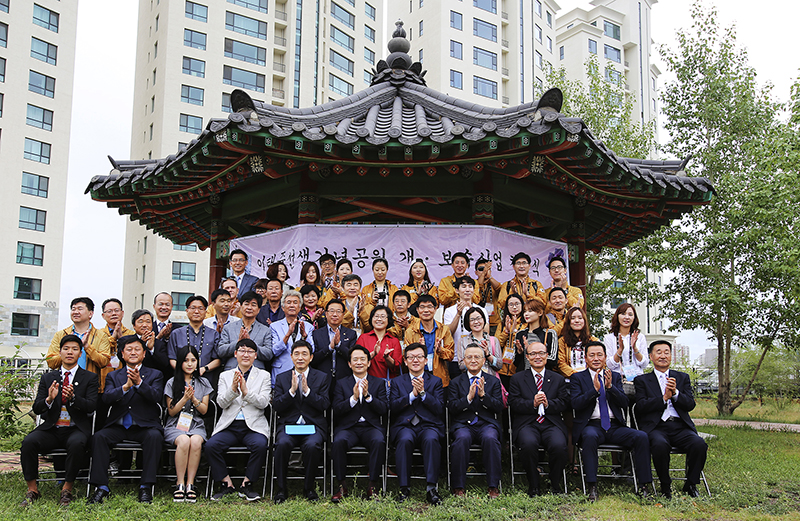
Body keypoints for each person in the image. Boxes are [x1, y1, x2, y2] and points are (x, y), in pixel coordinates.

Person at [20, 335, 99, 507]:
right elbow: (37, 408)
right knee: (29, 442)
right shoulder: (49, 377)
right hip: (51, 428)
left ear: (80, 354)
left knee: (77, 444)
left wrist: (73, 398)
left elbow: (91, 406)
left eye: (75, 349)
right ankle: (32, 489)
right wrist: (48, 399)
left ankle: (67, 489)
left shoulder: (89, 378)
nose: (70, 352)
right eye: (66, 348)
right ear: (60, 352)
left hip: (75, 428)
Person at [571, 341, 653, 501]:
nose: (596, 358)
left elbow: (624, 403)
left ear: (605, 357)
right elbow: (575, 403)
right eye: (592, 355)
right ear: (585, 359)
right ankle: (592, 486)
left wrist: (610, 388)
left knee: (641, 436)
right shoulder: (577, 378)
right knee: (589, 437)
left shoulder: (614, 377)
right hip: (592, 425)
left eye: (599, 355)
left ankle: (644, 485)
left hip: (615, 426)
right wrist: (593, 391)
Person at [88, 335, 165, 504]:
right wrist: (125, 387)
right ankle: (101, 487)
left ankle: (146, 486)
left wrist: (139, 383)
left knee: (155, 437)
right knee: (99, 437)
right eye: (129, 349)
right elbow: (107, 398)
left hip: (144, 426)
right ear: (122, 354)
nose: (133, 352)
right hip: (119, 425)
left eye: (137, 349)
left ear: (144, 354)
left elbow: (156, 397)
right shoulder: (113, 376)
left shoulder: (155, 374)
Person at [634, 340, 708, 499]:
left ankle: (691, 484)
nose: (663, 356)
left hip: (680, 426)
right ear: (651, 356)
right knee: (660, 445)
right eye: (658, 352)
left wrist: (675, 394)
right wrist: (663, 398)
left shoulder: (682, 378)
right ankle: (665, 485)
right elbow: (640, 406)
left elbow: (690, 405)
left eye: (666, 352)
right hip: (657, 427)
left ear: (671, 356)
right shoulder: (642, 380)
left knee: (699, 444)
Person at [206, 339, 272, 502]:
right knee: (211, 446)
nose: (245, 354)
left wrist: (245, 392)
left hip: (253, 425)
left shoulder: (264, 375)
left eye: (250, 351)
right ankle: (226, 483)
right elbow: (221, 403)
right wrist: (233, 390)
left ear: (255, 356)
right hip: (230, 425)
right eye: (242, 350)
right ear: (235, 354)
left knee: (260, 445)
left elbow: (264, 403)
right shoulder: (225, 375)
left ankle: (247, 484)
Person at [272, 340, 331, 503]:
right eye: (296, 354)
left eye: (304, 354)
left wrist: (307, 392)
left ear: (311, 358)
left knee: (312, 446)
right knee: (282, 445)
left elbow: (325, 404)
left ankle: (309, 488)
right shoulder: (282, 377)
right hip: (289, 426)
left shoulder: (322, 377)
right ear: (291, 357)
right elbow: (276, 406)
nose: (300, 358)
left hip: (313, 426)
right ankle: (281, 489)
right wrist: (291, 392)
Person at [508, 341, 569, 497]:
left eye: (541, 353)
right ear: (527, 357)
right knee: (528, 444)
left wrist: (549, 404)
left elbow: (564, 403)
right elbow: (513, 403)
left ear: (547, 356)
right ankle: (534, 484)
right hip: (528, 423)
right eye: (533, 354)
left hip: (551, 423)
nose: (537, 357)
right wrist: (532, 403)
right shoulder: (517, 378)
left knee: (559, 445)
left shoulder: (558, 379)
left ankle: (555, 483)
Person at [389, 343, 445, 505]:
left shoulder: (435, 381)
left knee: (431, 439)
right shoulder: (397, 382)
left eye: (419, 357)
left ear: (425, 360)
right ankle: (404, 487)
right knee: (405, 440)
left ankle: (431, 488)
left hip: (429, 425)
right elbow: (392, 407)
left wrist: (423, 394)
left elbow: (440, 408)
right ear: (405, 361)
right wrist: (412, 396)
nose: (415, 360)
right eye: (411, 357)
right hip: (405, 426)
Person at [331, 345, 389, 502]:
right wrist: (353, 399)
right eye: (355, 359)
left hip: (371, 427)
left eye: (362, 359)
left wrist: (368, 396)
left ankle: (372, 486)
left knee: (379, 441)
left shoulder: (378, 383)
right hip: (348, 427)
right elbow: (336, 409)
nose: (359, 362)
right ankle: (341, 485)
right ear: (349, 364)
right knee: (338, 442)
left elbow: (384, 409)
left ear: (369, 363)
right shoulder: (341, 383)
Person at [448, 344, 504, 498]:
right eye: (469, 357)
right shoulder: (455, 382)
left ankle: (493, 485)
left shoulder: (493, 381)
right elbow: (452, 407)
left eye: (477, 357)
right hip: (463, 424)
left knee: (491, 438)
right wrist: (468, 398)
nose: (473, 360)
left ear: (484, 360)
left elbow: (499, 407)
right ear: (463, 360)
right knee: (461, 439)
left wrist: (483, 396)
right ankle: (458, 486)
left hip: (486, 424)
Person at [164, 345, 211, 503]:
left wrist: (194, 399)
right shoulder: (172, 382)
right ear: (179, 363)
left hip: (196, 423)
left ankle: (191, 483)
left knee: (196, 441)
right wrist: (184, 398)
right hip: (176, 424)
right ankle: (180, 484)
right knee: (184, 440)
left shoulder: (203, 382)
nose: (190, 364)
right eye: (185, 360)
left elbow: (204, 410)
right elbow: (171, 412)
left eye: (193, 360)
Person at [47, 297, 112, 393]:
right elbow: (51, 362)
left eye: (80, 309)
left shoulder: (101, 336)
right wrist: (68, 353)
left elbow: (104, 362)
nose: (75, 312)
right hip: (64, 385)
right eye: (73, 309)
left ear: (90, 313)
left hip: (90, 387)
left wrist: (87, 347)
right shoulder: (61, 335)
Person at [403, 294, 455, 387]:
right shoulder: (410, 331)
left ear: (435, 309)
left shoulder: (444, 329)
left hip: (439, 378)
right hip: (417, 378)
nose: (426, 310)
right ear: (417, 310)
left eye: (430, 307)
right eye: (422, 307)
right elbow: (406, 356)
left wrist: (440, 351)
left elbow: (451, 355)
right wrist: (418, 349)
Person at [443, 276, 488, 378]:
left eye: (470, 286)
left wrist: (474, 312)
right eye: (464, 286)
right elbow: (448, 333)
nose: (467, 289)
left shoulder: (482, 310)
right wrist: (458, 314)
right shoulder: (450, 310)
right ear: (457, 290)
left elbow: (486, 332)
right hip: (456, 358)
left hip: (477, 357)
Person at [167, 296, 220, 380]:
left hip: (206, 380)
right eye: (193, 308)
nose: (196, 311)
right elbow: (172, 358)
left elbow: (218, 360)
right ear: (187, 311)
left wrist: (204, 369)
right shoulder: (176, 334)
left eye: (200, 308)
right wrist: (184, 371)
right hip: (182, 380)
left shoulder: (214, 334)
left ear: (205, 312)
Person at [218, 291, 273, 370]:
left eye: (253, 305)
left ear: (258, 309)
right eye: (246, 304)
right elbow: (221, 351)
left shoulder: (266, 330)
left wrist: (251, 344)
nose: (249, 307)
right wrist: (238, 342)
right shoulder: (228, 328)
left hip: (257, 373)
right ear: (240, 306)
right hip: (232, 371)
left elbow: (269, 354)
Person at [269, 289, 314, 381]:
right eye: (288, 302)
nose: (292, 305)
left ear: (300, 306)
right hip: (281, 371)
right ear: (283, 307)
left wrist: (304, 336)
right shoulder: (274, 326)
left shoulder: (308, 326)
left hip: (302, 372)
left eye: (295, 302)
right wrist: (288, 335)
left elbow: (312, 349)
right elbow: (274, 351)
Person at [310, 298, 358, 382]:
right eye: (331, 311)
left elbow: (352, 357)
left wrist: (339, 345)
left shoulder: (351, 334)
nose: (335, 314)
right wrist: (329, 348)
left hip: (344, 379)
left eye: (338, 311)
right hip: (321, 379)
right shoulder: (316, 334)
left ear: (343, 315)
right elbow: (313, 359)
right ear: (326, 314)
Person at [604, 303, 648, 384]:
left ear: (634, 318)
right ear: (617, 316)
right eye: (623, 314)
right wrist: (620, 350)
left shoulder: (640, 337)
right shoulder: (609, 338)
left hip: (637, 380)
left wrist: (635, 348)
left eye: (630, 314)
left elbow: (644, 364)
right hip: (617, 380)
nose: (626, 317)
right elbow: (609, 365)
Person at [356, 305, 403, 380]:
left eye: (383, 316)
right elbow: (356, 361)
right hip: (366, 382)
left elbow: (397, 367)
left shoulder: (394, 341)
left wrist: (387, 358)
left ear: (389, 320)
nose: (379, 319)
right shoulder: (363, 338)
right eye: (376, 316)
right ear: (371, 319)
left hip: (387, 384)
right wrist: (372, 354)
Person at [514, 298, 559, 372]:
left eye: (530, 311)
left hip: (544, 376)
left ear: (540, 313)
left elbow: (553, 360)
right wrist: (520, 352)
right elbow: (516, 363)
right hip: (524, 376)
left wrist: (532, 352)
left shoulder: (550, 333)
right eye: (525, 311)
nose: (526, 314)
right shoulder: (520, 334)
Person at [556, 307, 598, 380]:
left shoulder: (594, 341)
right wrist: (577, 376)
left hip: (591, 380)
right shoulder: (562, 341)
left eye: (580, 318)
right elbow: (561, 363)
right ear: (568, 322)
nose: (577, 321)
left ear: (584, 321)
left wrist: (588, 375)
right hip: (570, 381)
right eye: (573, 318)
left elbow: (601, 362)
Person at [458, 307, 502, 376]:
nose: (476, 322)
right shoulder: (462, 341)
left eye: (478, 318)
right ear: (468, 323)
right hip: (471, 382)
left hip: (491, 382)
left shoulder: (493, 340)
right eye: (472, 320)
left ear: (483, 320)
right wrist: (474, 358)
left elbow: (499, 365)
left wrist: (487, 354)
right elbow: (461, 367)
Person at [131, 309, 172, 381]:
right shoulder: (126, 341)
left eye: (148, 322)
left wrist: (151, 349)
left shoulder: (159, 343)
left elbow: (165, 364)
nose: (144, 325)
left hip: (153, 380)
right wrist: (142, 344)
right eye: (140, 322)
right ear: (134, 325)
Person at [495, 293, 525, 390]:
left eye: (517, 304)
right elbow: (496, 344)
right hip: (503, 368)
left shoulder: (526, 323)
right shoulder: (503, 323)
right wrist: (506, 332)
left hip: (520, 367)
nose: (514, 307)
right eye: (511, 304)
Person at [474, 257, 502, 332]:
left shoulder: (493, 283)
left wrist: (490, 277)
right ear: (476, 272)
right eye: (481, 269)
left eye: (487, 269)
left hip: (494, 323)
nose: (484, 271)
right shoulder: (473, 284)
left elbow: (500, 290)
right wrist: (483, 275)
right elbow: (477, 290)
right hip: (477, 322)